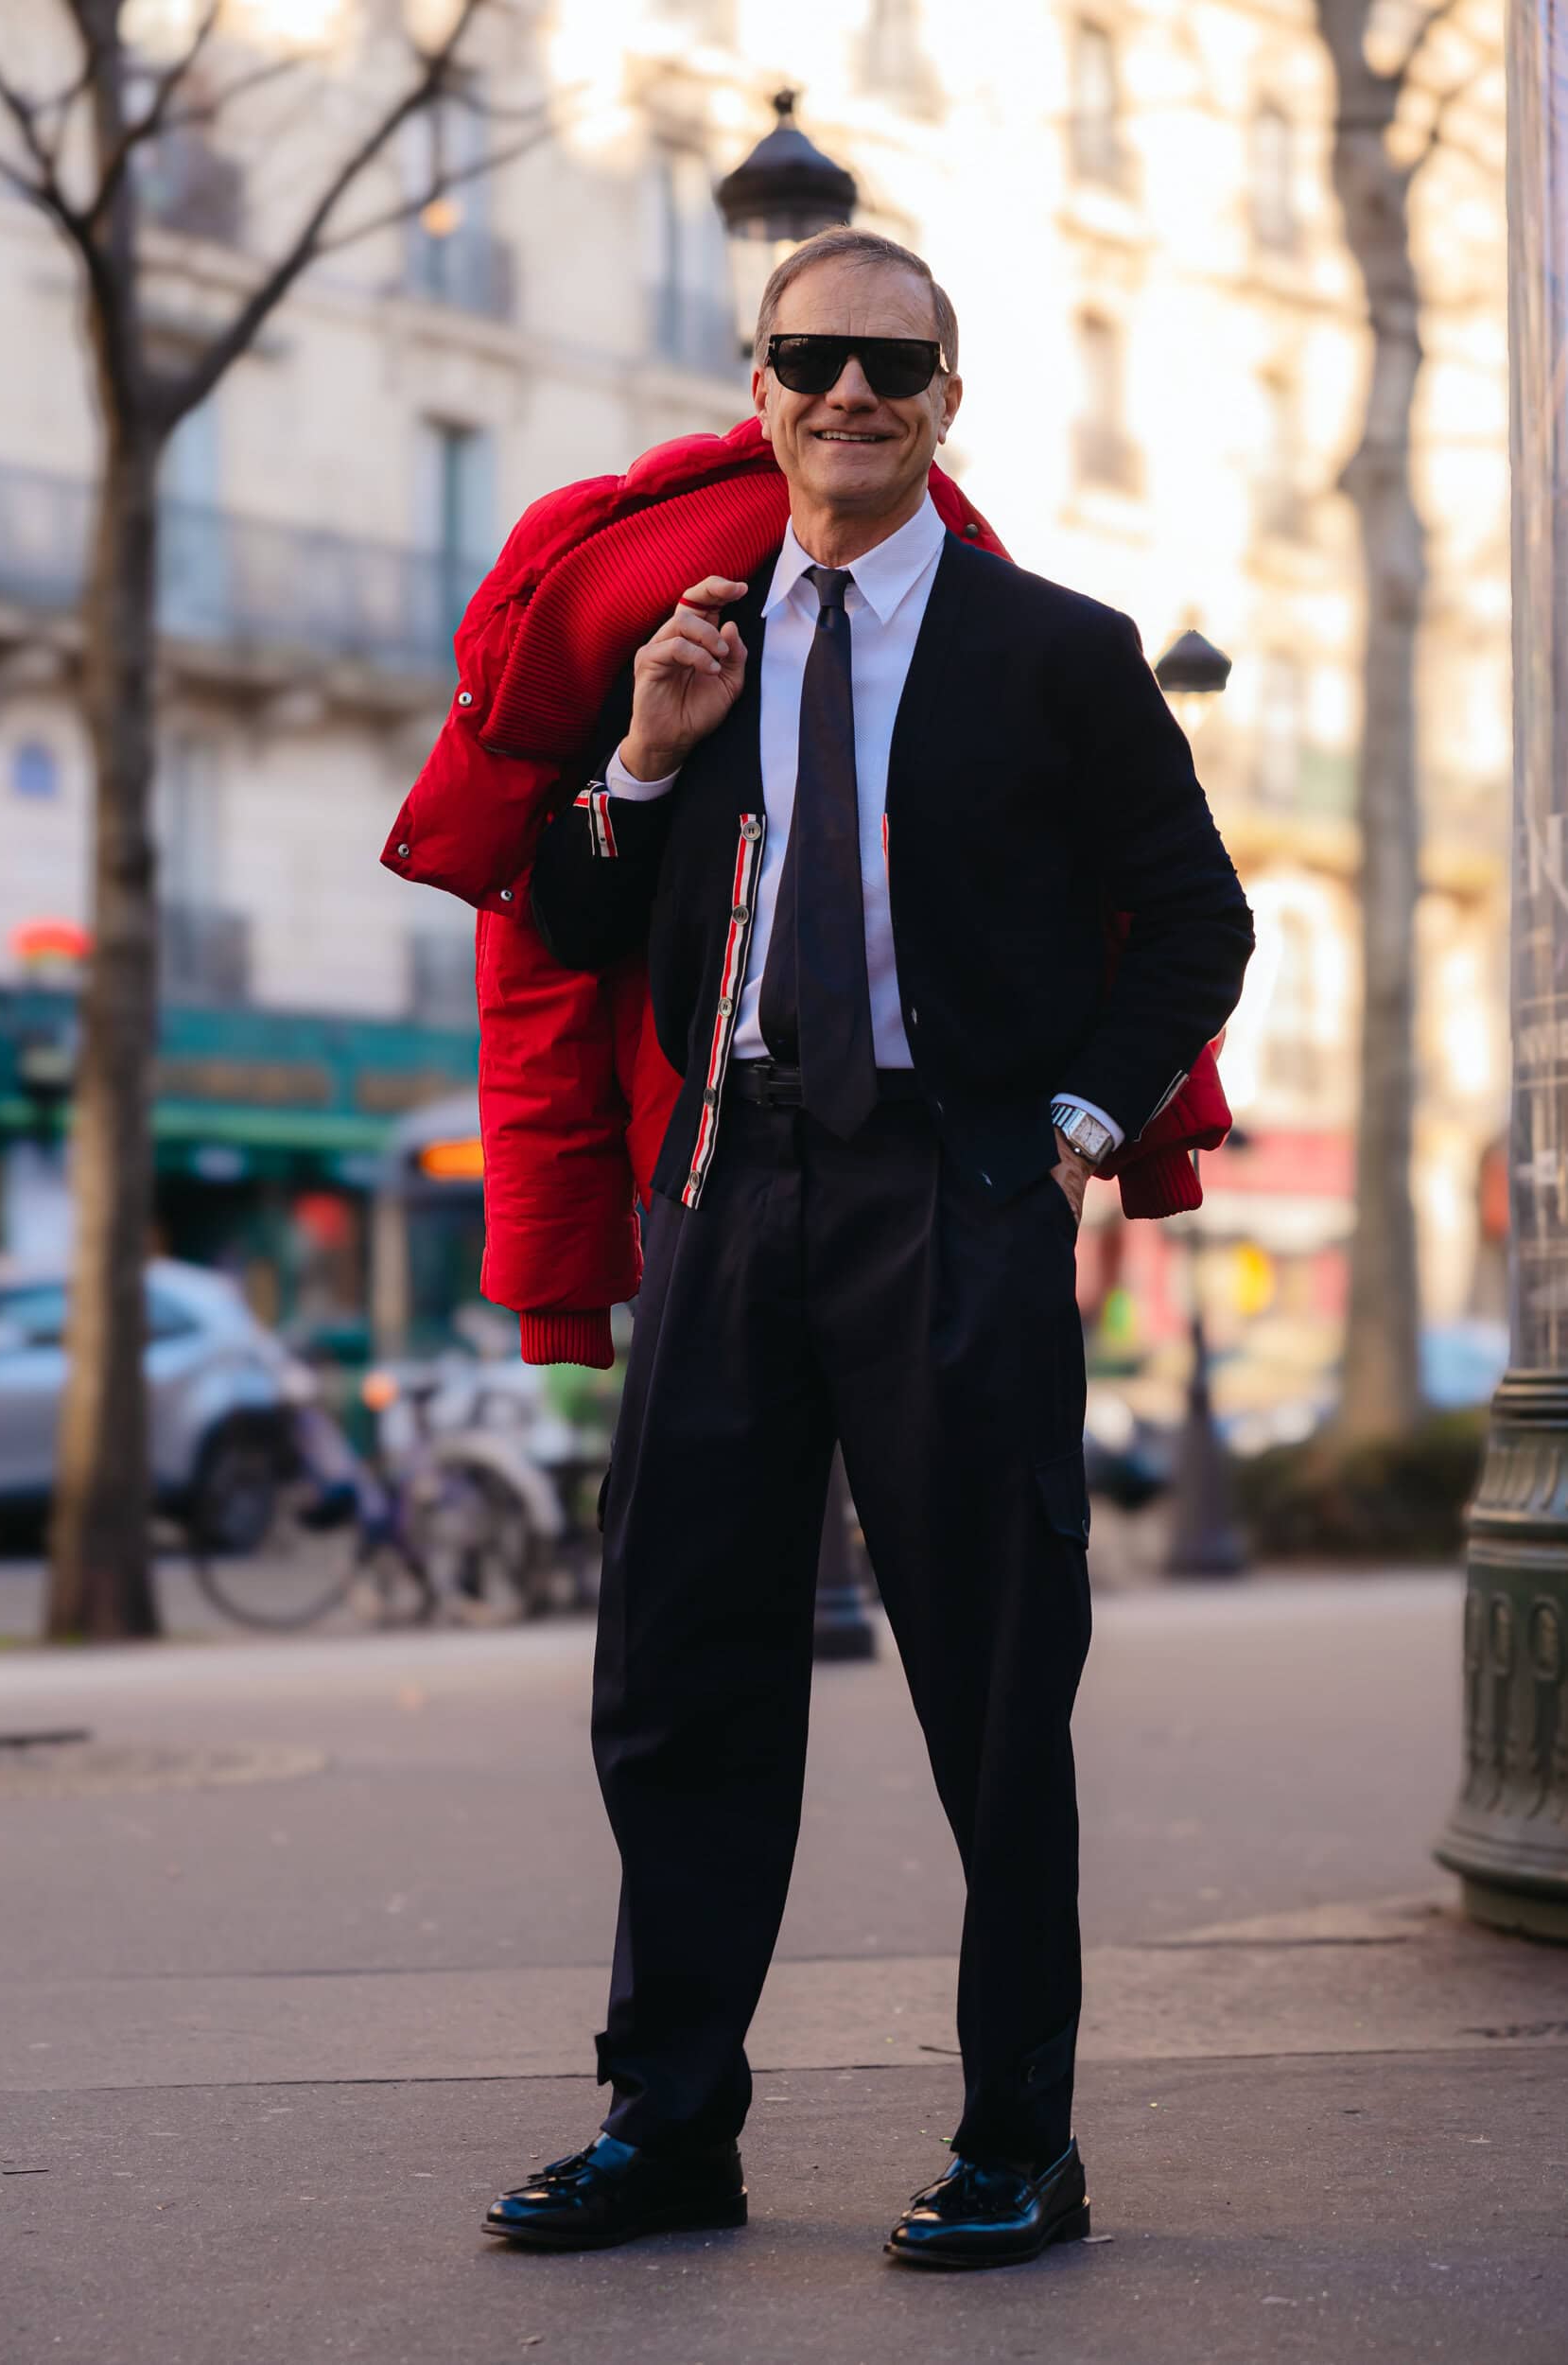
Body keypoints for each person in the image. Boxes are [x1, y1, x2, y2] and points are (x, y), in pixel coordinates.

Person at [480, 228, 1253, 2269]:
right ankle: (668, 2125)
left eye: (892, 366)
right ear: (759, 390)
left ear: (944, 404)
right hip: (726, 1191)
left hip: (955, 1193)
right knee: (679, 1670)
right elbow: (566, 916)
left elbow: (1200, 919)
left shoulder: (1056, 651)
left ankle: (1019, 2141)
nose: (850, 391)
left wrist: (1068, 1132)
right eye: (813, 356)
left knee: (994, 1689)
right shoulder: (694, 641)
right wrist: (643, 757)